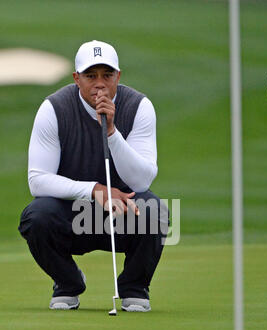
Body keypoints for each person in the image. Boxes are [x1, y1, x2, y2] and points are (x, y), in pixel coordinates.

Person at [18, 40, 168, 313]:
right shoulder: (54, 109)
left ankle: (134, 288)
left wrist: (112, 133)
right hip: (73, 216)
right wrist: (95, 190)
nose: (100, 84)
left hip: (122, 215)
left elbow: (142, 181)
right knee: (36, 215)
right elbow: (37, 180)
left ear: (118, 77)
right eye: (90, 76)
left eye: (107, 75)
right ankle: (68, 283)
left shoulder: (139, 106)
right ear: (77, 78)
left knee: (155, 210)